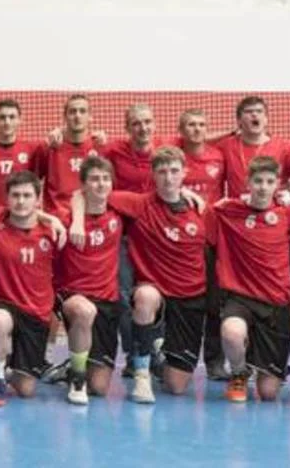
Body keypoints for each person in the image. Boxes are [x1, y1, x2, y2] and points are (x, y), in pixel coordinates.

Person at [71, 146, 206, 404]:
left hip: (189, 297)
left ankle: (160, 352)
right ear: (153, 175)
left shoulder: (200, 211)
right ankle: (142, 374)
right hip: (154, 291)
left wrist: (185, 194)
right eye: (162, 172)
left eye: (174, 171)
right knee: (144, 296)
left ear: (185, 173)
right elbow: (82, 192)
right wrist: (77, 221)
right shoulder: (139, 204)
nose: (168, 177)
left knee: (176, 386)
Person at [208, 157, 290, 403]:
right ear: (248, 182)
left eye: (270, 182)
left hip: (276, 302)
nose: (263, 187)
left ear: (278, 185)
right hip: (239, 297)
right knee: (231, 332)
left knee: (268, 394)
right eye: (258, 181)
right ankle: (239, 372)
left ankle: (269, 363)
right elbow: (196, 213)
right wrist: (193, 196)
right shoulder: (228, 210)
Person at [0, 171, 65, 407]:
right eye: (15, 195)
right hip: (4, 302)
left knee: (26, 389)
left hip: (36, 311)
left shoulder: (53, 232)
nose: (21, 201)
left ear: (38, 199)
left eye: (27, 195)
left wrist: (51, 219)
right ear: (6, 198)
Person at [56, 156, 122, 403]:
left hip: (107, 300)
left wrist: (188, 193)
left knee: (101, 388)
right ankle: (77, 378)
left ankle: (71, 365)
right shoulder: (66, 218)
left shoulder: (119, 214)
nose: (101, 184)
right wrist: (74, 220)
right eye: (94, 179)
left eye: (105, 179)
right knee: (85, 311)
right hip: (73, 295)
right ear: (83, 185)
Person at [177, 108, 232, 381]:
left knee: (214, 303)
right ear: (181, 130)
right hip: (179, 240)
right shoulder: (173, 155)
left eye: (201, 124)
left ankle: (215, 361)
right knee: (182, 302)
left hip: (211, 239)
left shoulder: (219, 156)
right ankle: (177, 357)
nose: (196, 129)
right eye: (190, 124)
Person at [212, 96, 290, 198]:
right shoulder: (226, 146)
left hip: (273, 210)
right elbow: (202, 148)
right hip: (238, 210)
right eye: (248, 111)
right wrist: (229, 133)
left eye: (259, 111)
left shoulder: (284, 147)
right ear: (239, 121)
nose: (254, 114)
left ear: (266, 120)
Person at [0, 99, 46, 208]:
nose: (7, 122)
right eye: (2, 117)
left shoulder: (32, 150)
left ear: (19, 120)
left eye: (12, 117)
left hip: (21, 211)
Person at [40, 95, 101, 217]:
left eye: (82, 111)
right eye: (72, 111)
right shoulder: (50, 146)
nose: (77, 116)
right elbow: (32, 181)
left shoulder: (99, 146)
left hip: (89, 216)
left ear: (90, 116)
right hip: (57, 217)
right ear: (65, 116)